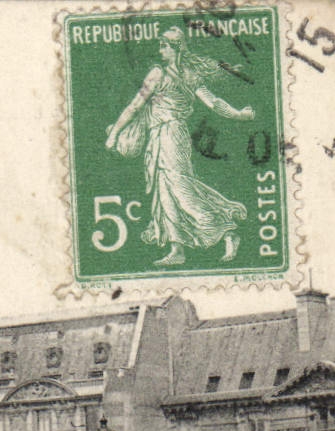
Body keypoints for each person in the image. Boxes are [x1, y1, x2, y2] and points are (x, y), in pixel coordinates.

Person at [104, 26, 256, 267]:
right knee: (164, 191)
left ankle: (227, 230)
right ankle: (177, 249)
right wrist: (238, 114)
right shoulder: (173, 74)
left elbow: (213, 103)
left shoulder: (174, 75)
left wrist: (239, 115)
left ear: (174, 48)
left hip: (173, 135)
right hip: (158, 136)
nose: (160, 50)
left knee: (181, 189)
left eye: (164, 45)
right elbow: (136, 106)